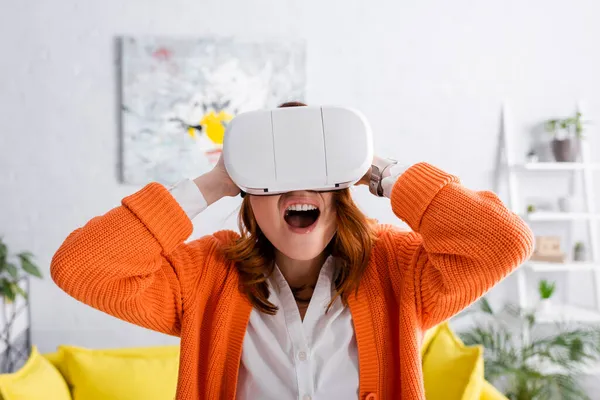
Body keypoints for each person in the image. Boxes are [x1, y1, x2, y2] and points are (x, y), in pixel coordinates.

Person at [51, 102, 534, 400]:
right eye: (273, 172)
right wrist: (215, 181)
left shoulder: (400, 269)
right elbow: (81, 268)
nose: (296, 186)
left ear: (343, 186)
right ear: (247, 191)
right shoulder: (205, 276)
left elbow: (502, 242)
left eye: (316, 168)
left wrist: (379, 169)